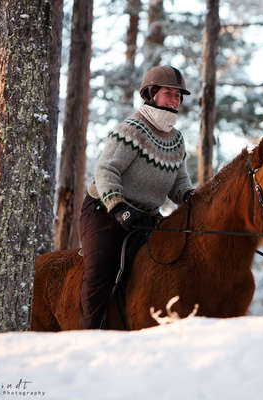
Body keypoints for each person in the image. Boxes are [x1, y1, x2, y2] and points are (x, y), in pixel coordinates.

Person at [80, 65, 194, 329]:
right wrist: (117, 206)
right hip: (105, 210)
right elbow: (106, 169)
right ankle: (87, 334)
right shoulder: (131, 129)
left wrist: (189, 195)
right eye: (169, 94)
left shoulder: (177, 140)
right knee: (100, 273)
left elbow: (179, 181)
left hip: (145, 216)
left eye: (179, 96)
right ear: (151, 93)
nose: (175, 101)